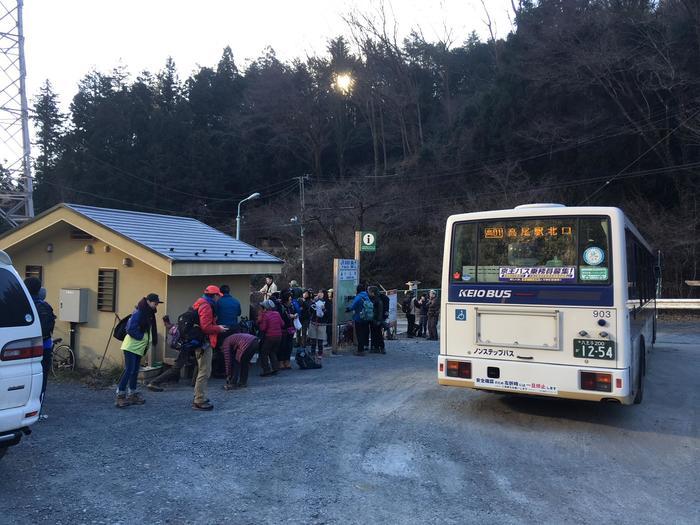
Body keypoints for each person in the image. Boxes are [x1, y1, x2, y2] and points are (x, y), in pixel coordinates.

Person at [115, 293, 161, 408]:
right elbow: (130, 328)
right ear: (149, 302)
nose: (156, 306)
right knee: (129, 370)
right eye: (155, 303)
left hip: (138, 348)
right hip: (131, 347)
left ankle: (132, 394)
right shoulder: (140, 312)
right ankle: (120, 395)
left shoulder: (147, 314)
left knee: (135, 371)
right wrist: (141, 337)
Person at [191, 285, 227, 410]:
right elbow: (205, 327)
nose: (219, 299)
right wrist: (219, 329)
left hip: (200, 342)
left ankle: (198, 396)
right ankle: (199, 400)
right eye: (218, 296)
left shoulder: (199, 303)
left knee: (202, 370)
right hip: (204, 343)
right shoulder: (206, 306)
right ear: (215, 295)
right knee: (205, 371)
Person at [24, 278, 55, 412]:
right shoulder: (45, 305)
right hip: (45, 345)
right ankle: (38, 408)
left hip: (25, 347)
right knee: (42, 377)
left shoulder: (22, 304)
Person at [257, 299, 283, 376]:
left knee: (263, 353)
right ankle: (275, 369)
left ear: (265, 307)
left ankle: (266, 370)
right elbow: (282, 324)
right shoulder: (277, 314)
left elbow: (263, 328)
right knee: (273, 352)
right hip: (279, 336)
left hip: (270, 337)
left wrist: (259, 321)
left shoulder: (265, 315)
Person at [346, 284, 371, 356]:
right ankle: (364, 347)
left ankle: (360, 350)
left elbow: (352, 306)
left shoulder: (358, 297)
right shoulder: (366, 296)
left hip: (359, 318)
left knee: (359, 334)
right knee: (364, 333)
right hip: (366, 318)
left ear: (357, 290)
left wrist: (348, 309)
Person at [277, 292, 296, 370]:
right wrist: (289, 316)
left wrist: (295, 315)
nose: (291, 300)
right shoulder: (280, 307)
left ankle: (287, 361)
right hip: (283, 329)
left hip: (290, 329)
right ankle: (280, 362)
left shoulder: (291, 306)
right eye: (290, 299)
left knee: (289, 346)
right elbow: (280, 317)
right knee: (282, 346)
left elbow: (294, 312)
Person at [308, 290, 328, 364]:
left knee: (320, 341)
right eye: (319, 292)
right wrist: (313, 303)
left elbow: (328, 314)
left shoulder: (327, 302)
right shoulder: (314, 302)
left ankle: (320, 354)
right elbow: (310, 311)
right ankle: (313, 353)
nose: (320, 294)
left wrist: (324, 309)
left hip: (322, 324)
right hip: (313, 322)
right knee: (313, 340)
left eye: (322, 293)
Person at [368, 286, 385, 354]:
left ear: (373, 292)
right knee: (374, 334)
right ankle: (376, 347)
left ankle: (381, 347)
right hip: (373, 319)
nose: (368, 293)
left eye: (369, 292)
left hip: (376, 319)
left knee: (378, 334)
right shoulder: (375, 299)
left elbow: (380, 311)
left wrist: (379, 320)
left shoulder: (377, 300)